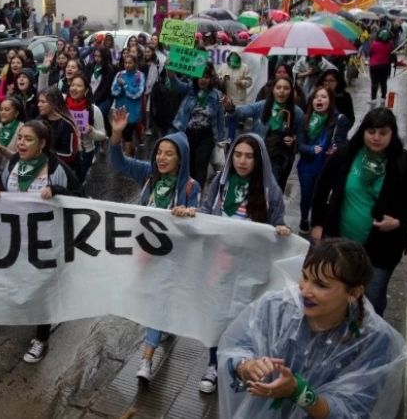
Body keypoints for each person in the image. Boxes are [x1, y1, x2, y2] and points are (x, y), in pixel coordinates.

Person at [218, 239, 407, 419]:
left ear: (354, 292)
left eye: (320, 285)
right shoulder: (276, 308)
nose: (305, 291)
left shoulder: (372, 340)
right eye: (305, 277)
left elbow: (353, 410)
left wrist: (298, 392)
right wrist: (246, 366)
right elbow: (236, 348)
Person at [108, 106, 200, 381]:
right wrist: (117, 133)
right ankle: (165, 326)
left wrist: (189, 213)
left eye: (169, 154)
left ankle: (146, 360)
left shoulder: (190, 187)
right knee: (156, 302)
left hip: (173, 258)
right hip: (145, 253)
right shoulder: (148, 174)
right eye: (159, 152)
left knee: (157, 304)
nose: (161, 157)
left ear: (181, 159)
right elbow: (118, 162)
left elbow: (200, 221)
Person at [199, 133, 292, 393]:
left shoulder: (269, 191)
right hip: (220, 265)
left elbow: (278, 222)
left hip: (251, 269)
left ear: (258, 160)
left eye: (249, 156)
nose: (242, 161)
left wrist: (282, 229)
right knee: (218, 317)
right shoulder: (221, 183)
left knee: (243, 319)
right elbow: (206, 211)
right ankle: (214, 364)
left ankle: (240, 365)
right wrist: (192, 216)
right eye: (237, 155)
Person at [311, 108, 407, 316]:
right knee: (336, 289)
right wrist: (318, 224)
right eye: (371, 131)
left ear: (392, 134)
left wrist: (399, 220)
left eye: (383, 133)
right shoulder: (346, 155)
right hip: (339, 243)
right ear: (363, 131)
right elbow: (321, 187)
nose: (376, 137)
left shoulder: (406, 163)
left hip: (381, 251)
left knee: (372, 298)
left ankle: (366, 330)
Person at [0, 119, 83, 363]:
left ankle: (41, 339)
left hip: (46, 244)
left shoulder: (57, 168)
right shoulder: (12, 163)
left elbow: (80, 198)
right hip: (16, 241)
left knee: (42, 290)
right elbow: (4, 190)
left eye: (28, 139)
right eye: (20, 138)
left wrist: (58, 191)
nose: (21, 143)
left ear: (42, 144)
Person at [224, 76, 304, 191]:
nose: (282, 91)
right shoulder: (262, 105)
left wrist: (293, 140)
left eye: (286, 88)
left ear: (291, 91)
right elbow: (242, 111)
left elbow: (301, 138)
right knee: (249, 187)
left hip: (277, 159)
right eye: (278, 87)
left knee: (269, 190)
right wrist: (230, 107)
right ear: (273, 89)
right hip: (256, 153)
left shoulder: (297, 113)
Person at [296, 86, 349, 233]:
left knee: (321, 197)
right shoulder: (304, 119)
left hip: (326, 166)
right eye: (316, 97)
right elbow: (299, 144)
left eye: (324, 97)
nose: (319, 99)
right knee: (306, 195)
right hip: (306, 167)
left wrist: (335, 148)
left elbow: (342, 142)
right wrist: (310, 149)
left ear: (330, 101)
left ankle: (317, 222)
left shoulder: (339, 120)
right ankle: (304, 219)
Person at [168, 63, 226, 186]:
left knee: (201, 165)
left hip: (206, 136)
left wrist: (221, 141)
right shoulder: (189, 90)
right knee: (189, 165)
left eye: (206, 77)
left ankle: (197, 192)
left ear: (211, 79)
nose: (202, 80)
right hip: (187, 134)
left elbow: (220, 119)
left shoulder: (217, 95)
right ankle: (188, 190)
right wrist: (170, 69)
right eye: (200, 76)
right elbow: (175, 83)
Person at [65, 75, 107, 183]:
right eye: (72, 85)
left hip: (84, 153)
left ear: (86, 90)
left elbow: (102, 135)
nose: (74, 88)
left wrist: (91, 131)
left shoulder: (93, 110)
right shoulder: (63, 106)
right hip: (64, 151)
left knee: (78, 182)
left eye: (79, 86)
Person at [36, 86, 81, 172]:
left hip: (61, 169)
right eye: (39, 101)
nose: (39, 105)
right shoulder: (39, 120)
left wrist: (44, 154)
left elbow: (69, 154)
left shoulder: (67, 125)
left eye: (43, 102)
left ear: (54, 103)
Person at [110, 54, 145, 156]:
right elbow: (113, 91)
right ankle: (128, 152)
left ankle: (127, 159)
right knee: (121, 133)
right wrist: (119, 88)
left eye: (130, 63)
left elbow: (137, 93)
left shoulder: (140, 76)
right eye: (126, 63)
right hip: (120, 108)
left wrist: (125, 86)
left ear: (135, 63)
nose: (127, 65)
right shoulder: (120, 74)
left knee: (128, 135)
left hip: (132, 110)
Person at [217, 51, 253, 140]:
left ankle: (237, 140)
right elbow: (217, 78)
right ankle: (227, 140)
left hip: (239, 100)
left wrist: (242, 82)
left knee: (238, 123)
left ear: (239, 56)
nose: (233, 57)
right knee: (227, 122)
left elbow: (249, 82)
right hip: (227, 99)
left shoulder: (244, 67)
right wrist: (222, 79)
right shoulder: (224, 67)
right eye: (232, 55)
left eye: (236, 55)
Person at [0, 96, 26, 172]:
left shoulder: (22, 128)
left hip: (16, 170)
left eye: (7, 110)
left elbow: (19, 157)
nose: (3, 112)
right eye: (1, 109)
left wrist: (2, 149)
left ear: (16, 113)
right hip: (0, 170)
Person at [84, 47, 115, 133]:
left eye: (99, 56)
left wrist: (94, 100)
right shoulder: (90, 66)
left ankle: (104, 134)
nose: (97, 58)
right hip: (89, 97)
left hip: (102, 99)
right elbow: (85, 81)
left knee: (98, 117)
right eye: (95, 56)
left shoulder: (109, 70)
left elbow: (105, 88)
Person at [368, 29, 394, 106]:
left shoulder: (374, 44)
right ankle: (383, 98)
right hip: (385, 66)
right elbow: (391, 52)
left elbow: (370, 53)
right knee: (383, 82)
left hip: (374, 66)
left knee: (374, 83)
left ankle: (373, 99)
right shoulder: (390, 44)